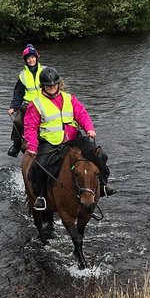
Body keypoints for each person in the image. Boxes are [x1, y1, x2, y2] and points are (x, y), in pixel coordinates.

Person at [23, 66, 113, 211]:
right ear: (43, 86)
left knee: (100, 155)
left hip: (73, 138)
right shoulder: (36, 104)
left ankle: (103, 185)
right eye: (48, 86)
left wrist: (89, 128)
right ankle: (40, 197)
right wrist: (32, 147)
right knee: (38, 167)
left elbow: (81, 114)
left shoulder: (69, 98)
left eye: (54, 85)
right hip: (50, 141)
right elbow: (30, 127)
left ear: (58, 84)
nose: (52, 88)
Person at [6, 43, 42, 157]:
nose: (31, 60)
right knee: (17, 121)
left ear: (36, 57)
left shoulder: (45, 71)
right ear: (25, 61)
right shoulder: (22, 75)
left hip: (44, 103)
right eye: (28, 58)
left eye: (32, 57)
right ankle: (16, 145)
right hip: (28, 105)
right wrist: (13, 107)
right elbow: (18, 93)